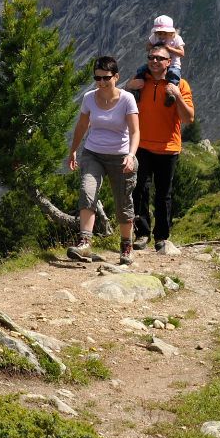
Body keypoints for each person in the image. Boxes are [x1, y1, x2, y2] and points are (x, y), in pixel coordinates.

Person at [67, 55, 140, 264]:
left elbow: (135, 132)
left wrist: (131, 155)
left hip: (121, 156)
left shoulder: (127, 99)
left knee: (123, 203)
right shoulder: (89, 98)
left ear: (116, 77)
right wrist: (73, 150)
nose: (101, 83)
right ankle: (85, 244)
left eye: (105, 78)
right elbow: (82, 126)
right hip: (93, 153)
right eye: (97, 78)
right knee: (87, 191)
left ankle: (126, 245)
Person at [131, 46, 195, 251]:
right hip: (141, 145)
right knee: (139, 190)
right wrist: (126, 85)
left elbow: (188, 118)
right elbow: (119, 100)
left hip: (168, 148)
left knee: (163, 194)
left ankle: (161, 237)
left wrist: (176, 95)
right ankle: (142, 234)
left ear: (169, 62)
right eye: (151, 57)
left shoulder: (180, 85)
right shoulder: (140, 83)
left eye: (160, 58)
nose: (155, 61)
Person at [132, 14, 187, 86]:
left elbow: (182, 53)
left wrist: (169, 49)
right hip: (157, 63)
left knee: (174, 74)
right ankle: (138, 87)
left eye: (164, 33)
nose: (161, 36)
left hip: (173, 64)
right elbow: (147, 47)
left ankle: (172, 93)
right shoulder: (154, 37)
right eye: (159, 33)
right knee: (141, 70)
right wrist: (157, 46)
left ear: (170, 33)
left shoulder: (176, 39)